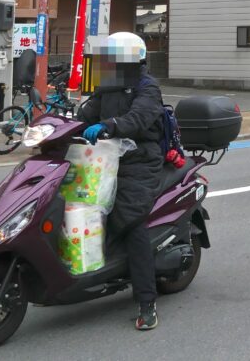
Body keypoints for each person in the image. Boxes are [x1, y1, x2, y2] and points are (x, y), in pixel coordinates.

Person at [78, 31, 165, 331]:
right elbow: (86, 114)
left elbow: (139, 119)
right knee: (74, 203)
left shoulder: (147, 87)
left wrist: (109, 126)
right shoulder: (109, 84)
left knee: (130, 221)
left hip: (139, 160)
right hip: (105, 157)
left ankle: (146, 302)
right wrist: (63, 121)